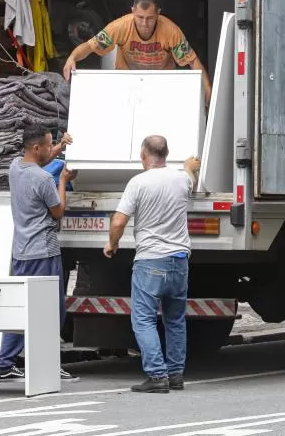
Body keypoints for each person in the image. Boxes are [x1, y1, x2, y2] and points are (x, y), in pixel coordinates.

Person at [104, 136, 201, 393]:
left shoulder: (138, 183)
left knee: (144, 320)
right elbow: (191, 179)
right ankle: (176, 374)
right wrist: (190, 167)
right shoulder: (181, 179)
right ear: (166, 154)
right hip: (180, 261)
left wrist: (112, 244)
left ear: (143, 155)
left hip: (150, 261)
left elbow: (118, 222)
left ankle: (157, 376)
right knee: (175, 320)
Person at [0, 123, 77, 382]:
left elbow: (41, 160)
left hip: (22, 251)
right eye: (50, 143)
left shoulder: (16, 167)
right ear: (37, 147)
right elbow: (58, 211)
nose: (53, 148)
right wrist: (62, 180)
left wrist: (61, 147)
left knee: (21, 308)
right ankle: (50, 364)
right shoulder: (44, 179)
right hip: (43, 252)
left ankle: (5, 364)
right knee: (52, 310)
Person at [62, 0, 212, 105]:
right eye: (140, 17)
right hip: (127, 82)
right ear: (132, 10)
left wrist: (207, 88)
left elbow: (192, 61)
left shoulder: (170, 30)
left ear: (158, 13)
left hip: (161, 83)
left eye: (150, 18)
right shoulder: (119, 27)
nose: (144, 24)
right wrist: (72, 58)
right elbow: (90, 46)